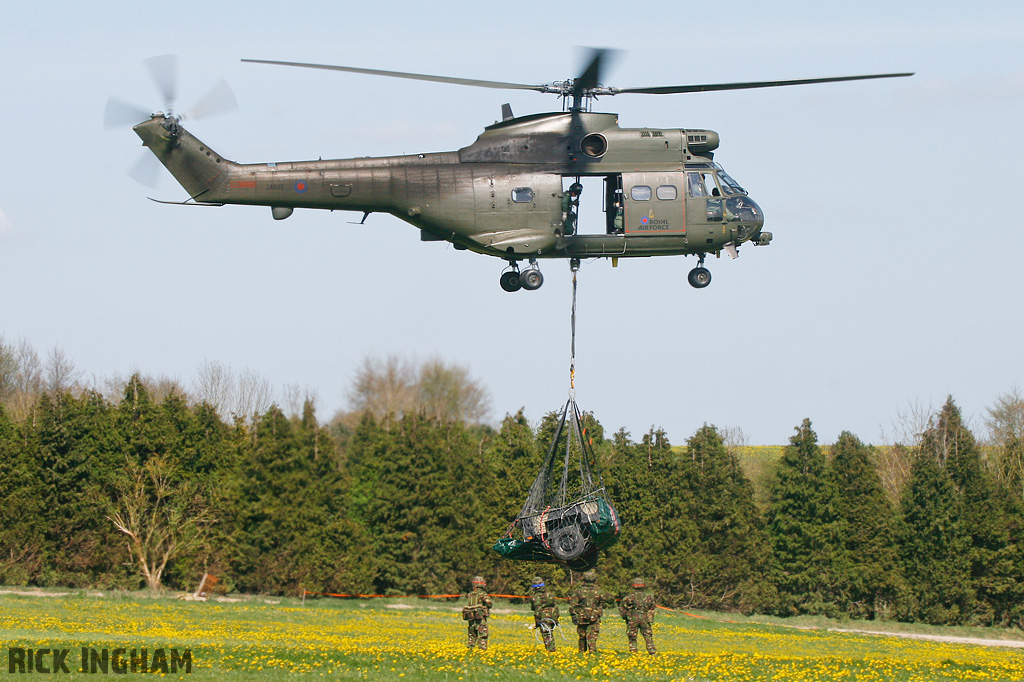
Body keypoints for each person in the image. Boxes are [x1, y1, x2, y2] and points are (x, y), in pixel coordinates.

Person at [568, 570, 615, 653]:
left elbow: (572, 605)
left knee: (582, 635)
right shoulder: (599, 591)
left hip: (581, 617)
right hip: (594, 617)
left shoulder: (578, 591)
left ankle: (581, 652)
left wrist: (574, 616)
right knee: (592, 635)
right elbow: (611, 599)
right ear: (594, 579)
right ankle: (592, 652)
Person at [619, 576, 657, 654]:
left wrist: (626, 618)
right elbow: (652, 607)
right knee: (648, 635)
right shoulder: (648, 597)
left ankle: (633, 651)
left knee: (632, 636)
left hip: (632, 618)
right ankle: (652, 651)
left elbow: (622, 608)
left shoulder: (629, 597)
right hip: (645, 618)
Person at [462, 575, 493, 650]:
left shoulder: (470, 594)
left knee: (472, 633)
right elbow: (489, 603)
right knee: (482, 633)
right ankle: (482, 649)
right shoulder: (483, 594)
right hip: (480, 617)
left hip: (471, 616)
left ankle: (470, 647)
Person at [529, 576, 559, 651]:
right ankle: (552, 650)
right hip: (552, 617)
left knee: (546, 634)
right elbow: (556, 606)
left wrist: (537, 622)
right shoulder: (550, 594)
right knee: (550, 633)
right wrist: (556, 619)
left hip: (544, 618)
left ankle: (551, 650)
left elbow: (537, 610)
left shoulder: (536, 597)